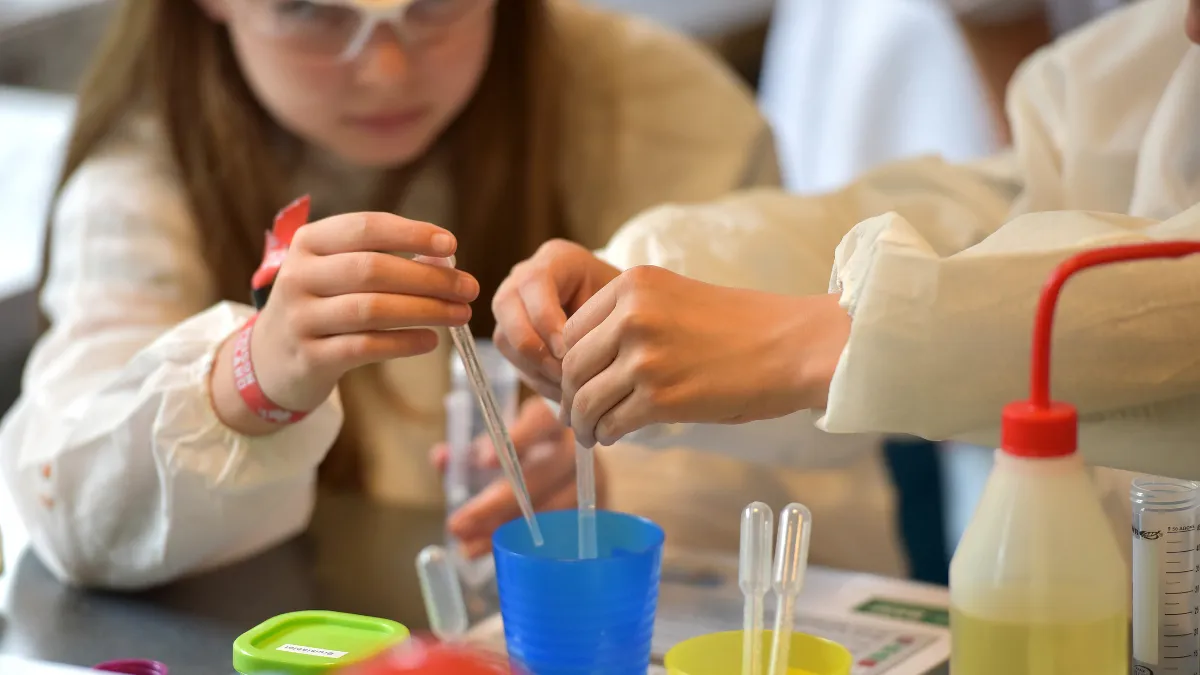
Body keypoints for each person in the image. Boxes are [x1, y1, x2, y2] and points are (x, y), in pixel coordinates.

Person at [0, 0, 784, 589]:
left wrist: (617, 483)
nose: (384, 71)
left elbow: (805, 452)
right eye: (310, 9)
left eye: (434, 5)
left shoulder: (663, 116)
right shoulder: (147, 175)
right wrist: (246, 378)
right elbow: (71, 506)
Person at [493, 0, 1200, 555]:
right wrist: (649, 283)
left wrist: (826, 338)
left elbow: (1163, 308)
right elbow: (1004, 217)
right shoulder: (1139, 68)